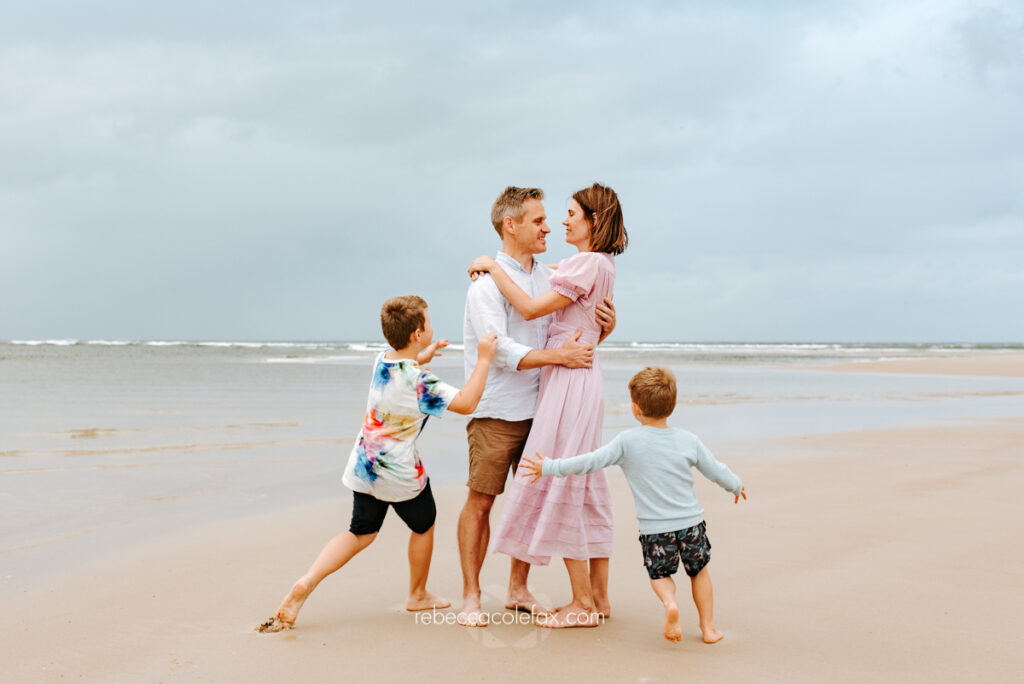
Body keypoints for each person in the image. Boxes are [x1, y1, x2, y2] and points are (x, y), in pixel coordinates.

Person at [257, 296, 497, 633]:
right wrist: (484, 359)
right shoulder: (421, 383)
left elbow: (405, 368)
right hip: (399, 473)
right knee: (424, 524)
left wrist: (422, 358)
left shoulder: (382, 360)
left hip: (365, 466)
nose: (431, 325)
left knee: (360, 532)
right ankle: (417, 594)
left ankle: (308, 580)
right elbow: (468, 402)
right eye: (428, 321)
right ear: (417, 333)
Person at [468, 182, 626, 628]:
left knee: (565, 481)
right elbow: (564, 291)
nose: (561, 221)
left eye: (571, 213)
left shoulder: (587, 263)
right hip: (574, 377)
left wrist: (491, 268)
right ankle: (598, 597)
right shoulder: (598, 263)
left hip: (569, 381)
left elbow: (535, 307)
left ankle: (581, 604)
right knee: (583, 481)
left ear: (593, 221)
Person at [519, 366, 747, 643]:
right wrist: (734, 485)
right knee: (699, 573)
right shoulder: (688, 440)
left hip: (656, 531)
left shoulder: (628, 441)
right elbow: (715, 470)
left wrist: (549, 466)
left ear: (636, 408)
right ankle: (709, 629)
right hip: (692, 526)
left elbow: (590, 461)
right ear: (672, 406)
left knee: (660, 575)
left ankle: (670, 603)